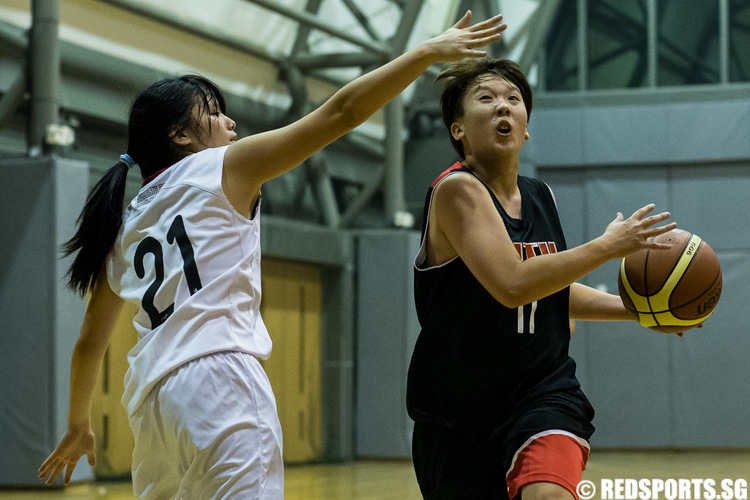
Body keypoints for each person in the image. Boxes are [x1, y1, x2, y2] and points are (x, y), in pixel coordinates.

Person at [37, 11, 507, 498]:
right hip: (221, 381)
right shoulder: (220, 167)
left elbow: (90, 343)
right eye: (214, 112)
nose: (230, 120)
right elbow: (341, 113)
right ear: (179, 135)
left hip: (153, 405)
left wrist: (78, 423)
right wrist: (425, 53)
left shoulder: (126, 221)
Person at [406, 58, 682, 500]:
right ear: (457, 129)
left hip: (542, 394)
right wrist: (609, 245)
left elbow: (549, 290)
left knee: (548, 494)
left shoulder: (540, 195)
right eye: (487, 98)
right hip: (456, 416)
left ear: (527, 126)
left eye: (513, 100)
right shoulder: (456, 191)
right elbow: (513, 285)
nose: (503, 107)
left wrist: (643, 312)